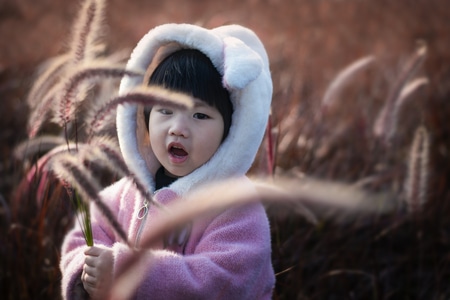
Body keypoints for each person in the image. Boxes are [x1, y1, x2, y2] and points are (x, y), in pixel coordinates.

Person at [60, 23, 274, 299]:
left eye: (200, 116)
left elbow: (223, 281)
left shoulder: (235, 207)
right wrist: (85, 272)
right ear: (145, 117)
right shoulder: (130, 191)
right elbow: (84, 236)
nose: (178, 128)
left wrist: (129, 273)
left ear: (231, 132)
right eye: (165, 110)